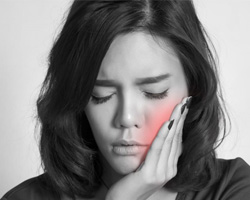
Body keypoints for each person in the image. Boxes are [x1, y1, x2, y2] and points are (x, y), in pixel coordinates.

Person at [2, 0, 250, 199]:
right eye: (101, 95)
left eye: (154, 92)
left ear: (192, 88)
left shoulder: (233, 188)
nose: (126, 118)